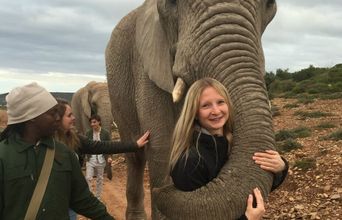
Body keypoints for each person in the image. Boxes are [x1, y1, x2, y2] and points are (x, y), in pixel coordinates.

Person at [169, 78, 288, 220]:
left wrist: (280, 168)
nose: (216, 111)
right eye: (206, 105)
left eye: (220, 102)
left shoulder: (237, 143)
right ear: (194, 112)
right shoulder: (189, 161)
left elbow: (252, 185)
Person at [0, 82, 114, 220]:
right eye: (52, 113)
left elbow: (82, 199)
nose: (58, 118)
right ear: (32, 117)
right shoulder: (3, 156)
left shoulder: (64, 153)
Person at [54, 98, 150, 220]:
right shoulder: (44, 145)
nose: (74, 118)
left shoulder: (73, 138)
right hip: (52, 205)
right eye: (69, 115)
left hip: (69, 201)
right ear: (57, 118)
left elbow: (102, 145)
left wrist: (134, 145)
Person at [85, 115, 111, 200]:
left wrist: (109, 157)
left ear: (99, 122)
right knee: (88, 178)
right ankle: (90, 197)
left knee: (99, 179)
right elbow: (85, 145)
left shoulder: (105, 133)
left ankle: (98, 198)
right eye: (91, 123)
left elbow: (109, 146)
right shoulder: (88, 133)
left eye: (94, 122)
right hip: (91, 159)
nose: (92, 124)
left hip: (101, 160)